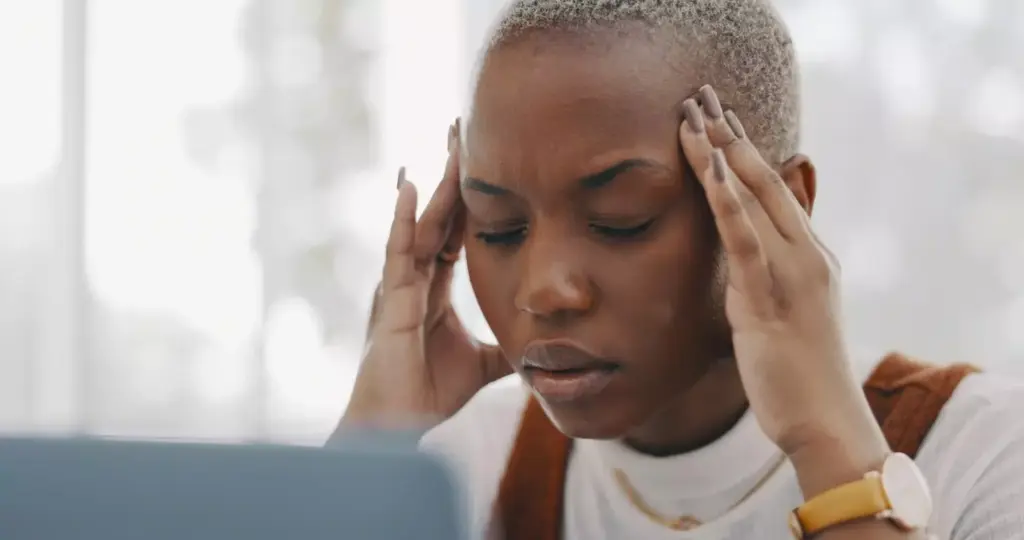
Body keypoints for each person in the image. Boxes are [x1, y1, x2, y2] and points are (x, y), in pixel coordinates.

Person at [335, 1, 1024, 538]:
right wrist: (363, 455)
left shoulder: (984, 453)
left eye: (621, 219)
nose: (546, 290)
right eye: (499, 229)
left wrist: (832, 451)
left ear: (786, 207)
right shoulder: (466, 472)